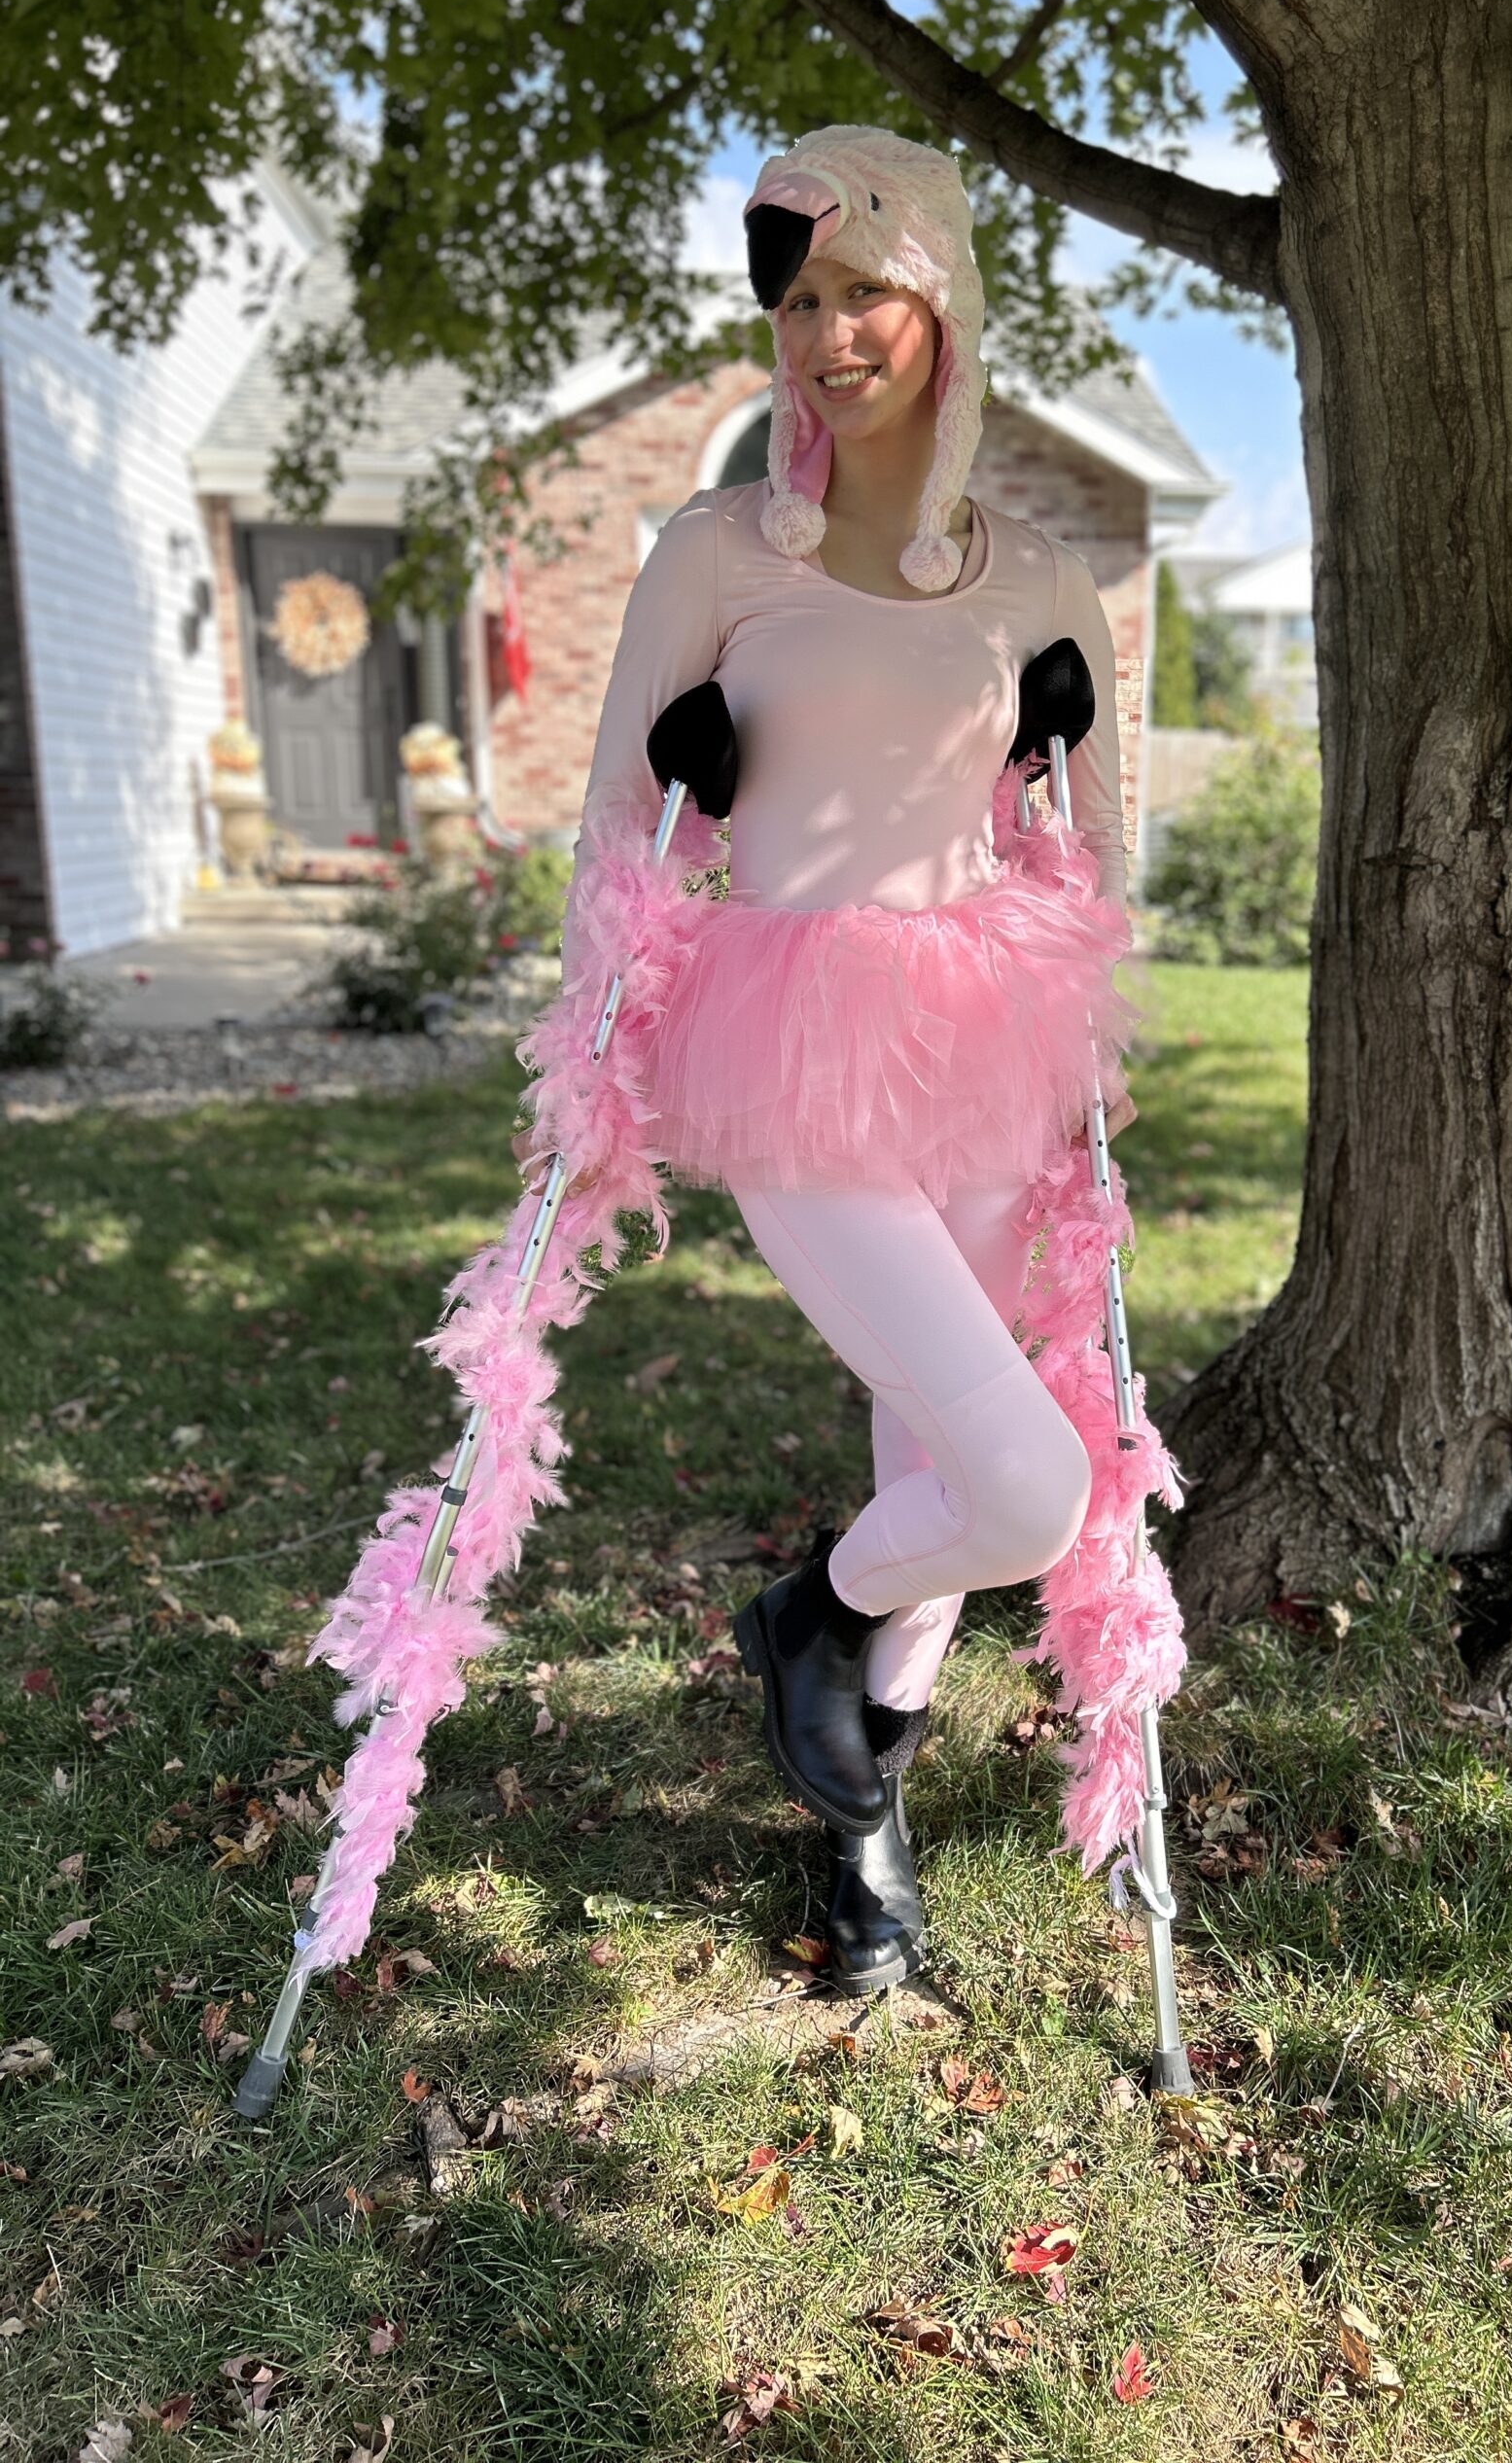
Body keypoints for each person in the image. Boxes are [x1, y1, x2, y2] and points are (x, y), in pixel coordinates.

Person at [534, 125, 1142, 1995]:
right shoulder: (721, 548)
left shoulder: (1031, 570)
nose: (826, 333)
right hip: (784, 1043)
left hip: (983, 1032)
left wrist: (1050, 758)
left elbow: (1096, 855)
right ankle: (810, 1614)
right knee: (1028, 1489)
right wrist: (593, 1046)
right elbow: (613, 832)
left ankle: (858, 1829)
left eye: (861, 288)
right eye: (797, 301)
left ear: (939, 298)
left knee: (935, 1441)